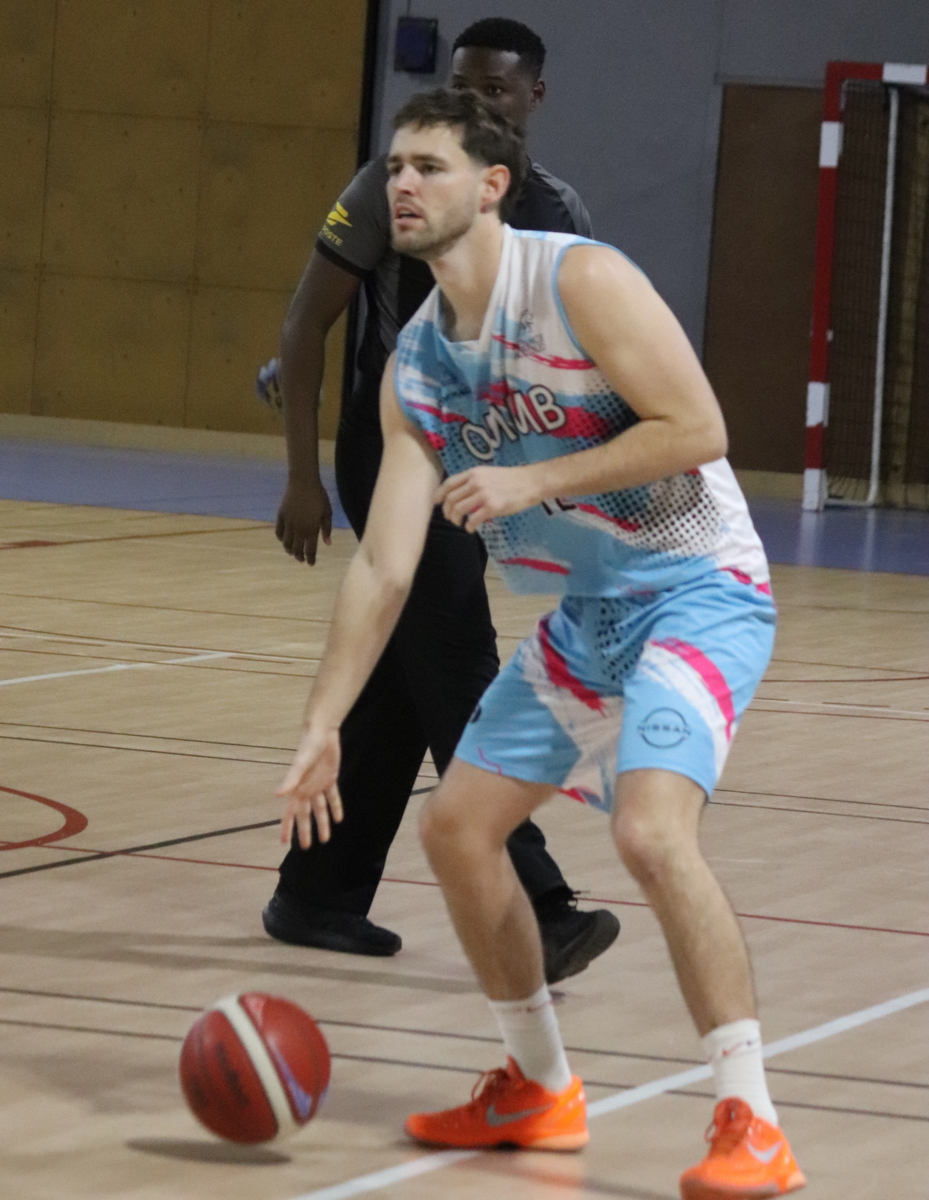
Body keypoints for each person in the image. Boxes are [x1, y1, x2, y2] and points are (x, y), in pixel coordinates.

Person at [277, 89, 806, 1199]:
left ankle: (751, 1120)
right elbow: (383, 567)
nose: (400, 185)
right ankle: (536, 1085)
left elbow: (698, 428)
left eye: (426, 166)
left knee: (649, 833)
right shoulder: (417, 367)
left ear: (491, 185)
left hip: (697, 591)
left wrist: (533, 480)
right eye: (393, 167)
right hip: (585, 622)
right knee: (457, 831)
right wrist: (321, 724)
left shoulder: (578, 281)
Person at [260, 18, 619, 984]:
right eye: (462, 83)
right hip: (393, 446)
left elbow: (570, 355)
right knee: (457, 658)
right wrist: (302, 476)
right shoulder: (394, 187)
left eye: (494, 88)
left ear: (533, 97)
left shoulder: (556, 210)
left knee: (403, 682)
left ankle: (317, 893)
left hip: (482, 459)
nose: (473, 99)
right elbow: (303, 326)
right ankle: (538, 911)